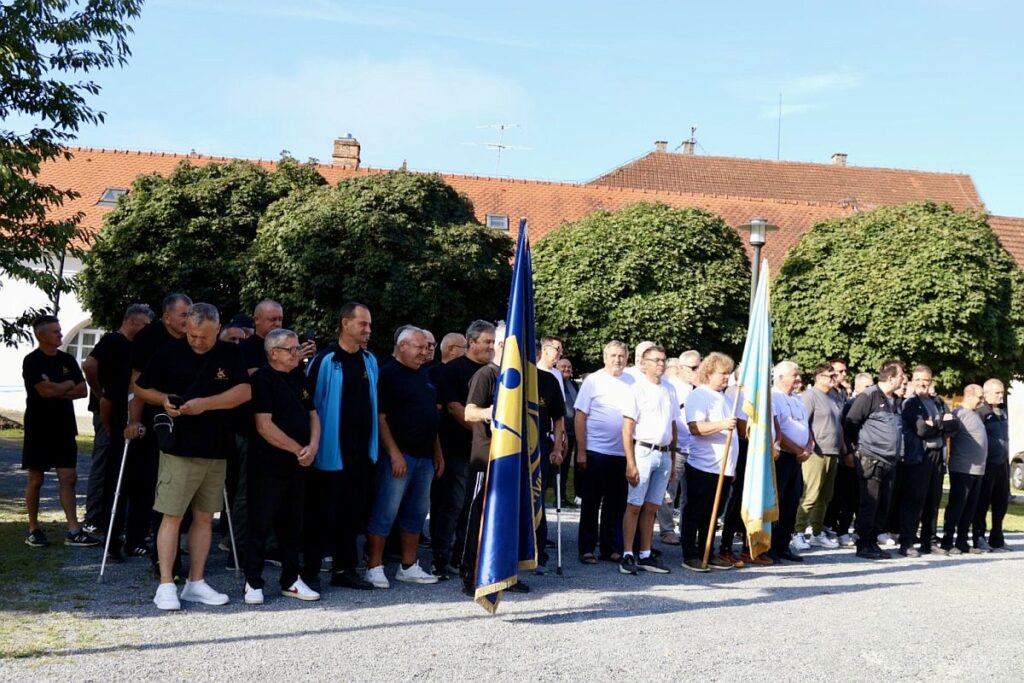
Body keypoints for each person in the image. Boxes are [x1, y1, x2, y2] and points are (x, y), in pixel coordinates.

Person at [135, 303, 251, 610]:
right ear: (187, 327)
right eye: (193, 335)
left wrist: (205, 404)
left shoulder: (231, 353)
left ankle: (196, 582)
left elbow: (244, 392)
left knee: (204, 517)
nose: (197, 341)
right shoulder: (168, 352)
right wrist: (163, 400)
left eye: (205, 337)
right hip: (179, 447)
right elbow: (141, 388)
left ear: (218, 329)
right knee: (172, 515)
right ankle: (165, 584)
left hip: (216, 447)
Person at [301, 302, 379, 591]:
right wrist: (313, 445)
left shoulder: (369, 360)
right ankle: (309, 571)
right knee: (321, 513)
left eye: (369, 325)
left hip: (361, 452)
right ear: (346, 323)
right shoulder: (325, 359)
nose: (368, 330)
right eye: (363, 324)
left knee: (352, 513)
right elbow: (308, 405)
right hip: (329, 451)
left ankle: (344, 569)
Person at [244, 328, 321, 603]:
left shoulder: (299, 376)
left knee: (294, 524)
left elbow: (313, 414)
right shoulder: (262, 379)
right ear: (274, 353)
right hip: (268, 465)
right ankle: (253, 582)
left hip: (299, 464)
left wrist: (313, 446)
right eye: (292, 349)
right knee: (260, 523)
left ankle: (291, 579)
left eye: (297, 348)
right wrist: (298, 449)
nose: (297, 353)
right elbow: (264, 425)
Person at [364, 327, 445, 588]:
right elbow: (380, 418)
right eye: (419, 347)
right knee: (385, 510)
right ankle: (374, 566)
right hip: (399, 456)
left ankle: (408, 565)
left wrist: (437, 451)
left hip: (425, 457)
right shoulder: (387, 374)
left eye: (427, 347)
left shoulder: (424, 374)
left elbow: (430, 415)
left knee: (417, 512)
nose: (425, 352)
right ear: (402, 346)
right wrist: (394, 453)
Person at [81, 303, 155, 559]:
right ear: (132, 321)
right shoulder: (114, 341)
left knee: (138, 478)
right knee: (108, 470)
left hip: (133, 419)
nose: (148, 330)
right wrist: (99, 392)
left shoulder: (139, 350)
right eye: (145, 325)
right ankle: (98, 523)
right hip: (113, 415)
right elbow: (90, 366)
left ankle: (133, 534)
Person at [124, 293, 191, 564]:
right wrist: (134, 420)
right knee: (147, 480)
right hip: (153, 414)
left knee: (178, 482)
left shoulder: (192, 338)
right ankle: (136, 538)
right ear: (167, 317)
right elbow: (136, 384)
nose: (188, 320)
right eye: (183, 314)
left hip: (184, 416)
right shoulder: (149, 337)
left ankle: (168, 541)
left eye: (190, 314)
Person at [22, 315, 95, 549]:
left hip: (64, 426)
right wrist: (67, 384)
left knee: (69, 477)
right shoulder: (32, 361)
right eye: (56, 332)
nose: (61, 335)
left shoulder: (67, 359)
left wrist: (57, 387)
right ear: (41, 336)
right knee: (36, 479)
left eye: (60, 330)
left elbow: (82, 390)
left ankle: (73, 530)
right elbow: (45, 392)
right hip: (38, 427)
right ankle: (33, 529)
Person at [431, 320, 495, 579]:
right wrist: (484, 430)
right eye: (487, 341)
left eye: (494, 342)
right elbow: (455, 408)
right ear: (471, 342)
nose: (491, 346)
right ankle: (441, 558)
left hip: (488, 450)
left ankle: (465, 557)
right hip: (458, 449)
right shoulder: (453, 371)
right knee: (454, 505)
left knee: (476, 506)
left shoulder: (495, 373)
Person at [575, 340, 635, 564]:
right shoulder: (593, 380)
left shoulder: (633, 382)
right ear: (604, 358)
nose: (618, 360)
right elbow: (580, 416)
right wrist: (582, 451)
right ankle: (587, 548)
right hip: (596, 450)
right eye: (613, 355)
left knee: (616, 503)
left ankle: (610, 548)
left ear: (626, 358)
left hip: (621, 452)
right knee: (591, 502)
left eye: (621, 356)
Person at [681, 352, 741, 572]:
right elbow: (695, 427)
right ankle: (690, 554)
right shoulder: (699, 395)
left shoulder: (725, 397)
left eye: (728, 373)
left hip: (723, 468)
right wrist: (722, 424)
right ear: (709, 373)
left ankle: (707, 551)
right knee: (695, 511)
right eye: (722, 373)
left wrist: (732, 467)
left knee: (713, 514)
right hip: (703, 465)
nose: (726, 377)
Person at [619, 345, 676, 575]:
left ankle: (645, 553)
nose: (661, 364)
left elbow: (673, 425)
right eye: (656, 360)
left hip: (664, 453)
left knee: (652, 505)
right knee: (634, 504)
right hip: (643, 450)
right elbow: (627, 429)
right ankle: (627, 553)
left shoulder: (670, 389)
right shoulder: (637, 389)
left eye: (663, 360)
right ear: (644, 363)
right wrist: (630, 463)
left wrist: (672, 458)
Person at [844, 361, 905, 560]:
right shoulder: (869, 396)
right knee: (870, 503)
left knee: (883, 504)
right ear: (891, 378)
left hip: (890, 460)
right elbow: (850, 423)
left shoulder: (895, 400)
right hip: (871, 458)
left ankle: (873, 542)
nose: (903, 379)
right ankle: (864, 544)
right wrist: (855, 448)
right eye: (901, 375)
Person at [897, 365, 957, 557]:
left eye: (926, 380)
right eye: (918, 380)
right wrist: (941, 424)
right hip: (919, 456)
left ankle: (929, 541)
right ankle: (907, 542)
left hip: (938, 455)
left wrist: (935, 424)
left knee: (933, 501)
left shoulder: (938, 402)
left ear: (931, 381)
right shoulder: (910, 404)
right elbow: (921, 430)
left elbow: (953, 425)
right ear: (912, 382)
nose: (922, 383)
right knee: (914, 501)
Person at [796, 362, 845, 550]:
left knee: (825, 496)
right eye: (830, 376)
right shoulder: (810, 396)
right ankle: (798, 532)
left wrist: (843, 447)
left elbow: (838, 424)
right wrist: (809, 442)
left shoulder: (833, 397)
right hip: (816, 452)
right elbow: (803, 422)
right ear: (818, 377)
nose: (834, 379)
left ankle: (817, 532)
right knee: (810, 494)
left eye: (835, 375)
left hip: (832, 451)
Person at [824, 371, 873, 546]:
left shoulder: (873, 403)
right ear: (857, 387)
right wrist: (848, 453)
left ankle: (860, 530)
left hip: (867, 453)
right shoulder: (851, 404)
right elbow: (845, 430)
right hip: (852, 455)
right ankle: (842, 531)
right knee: (849, 496)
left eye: (871, 386)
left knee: (863, 496)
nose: (870, 389)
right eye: (866, 386)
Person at [771, 361, 813, 562]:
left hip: (798, 458)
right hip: (782, 457)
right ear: (780, 377)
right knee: (777, 503)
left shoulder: (797, 399)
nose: (798, 379)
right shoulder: (773, 397)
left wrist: (809, 446)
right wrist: (798, 450)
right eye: (794, 375)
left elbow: (806, 426)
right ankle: (770, 547)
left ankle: (783, 545)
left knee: (791, 502)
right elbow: (777, 430)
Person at [657, 349, 699, 545]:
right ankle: (667, 530)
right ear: (681, 368)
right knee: (669, 493)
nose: (697, 371)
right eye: (693, 368)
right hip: (677, 447)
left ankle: (688, 530)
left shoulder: (700, 389)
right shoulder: (671, 387)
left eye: (700, 367)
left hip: (696, 449)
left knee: (691, 495)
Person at [942, 384, 987, 555]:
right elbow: (948, 435)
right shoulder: (959, 414)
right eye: (980, 397)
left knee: (970, 508)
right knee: (957, 506)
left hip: (977, 470)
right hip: (963, 468)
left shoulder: (974, 414)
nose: (982, 401)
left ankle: (962, 541)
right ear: (969, 395)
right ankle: (947, 541)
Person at [974, 378, 1011, 552]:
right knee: (983, 501)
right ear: (986, 393)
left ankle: (997, 536)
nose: (1000, 396)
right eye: (997, 392)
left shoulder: (1002, 411)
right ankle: (979, 536)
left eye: (1002, 392)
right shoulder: (981, 412)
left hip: (1002, 463)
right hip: (987, 463)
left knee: (1001, 502)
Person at [556, 357, 579, 507]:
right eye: (563, 367)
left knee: (577, 465)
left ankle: (576, 496)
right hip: (563, 431)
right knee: (562, 465)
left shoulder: (574, 384)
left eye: (569, 367)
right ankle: (560, 497)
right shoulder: (555, 383)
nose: (567, 369)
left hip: (576, 431)